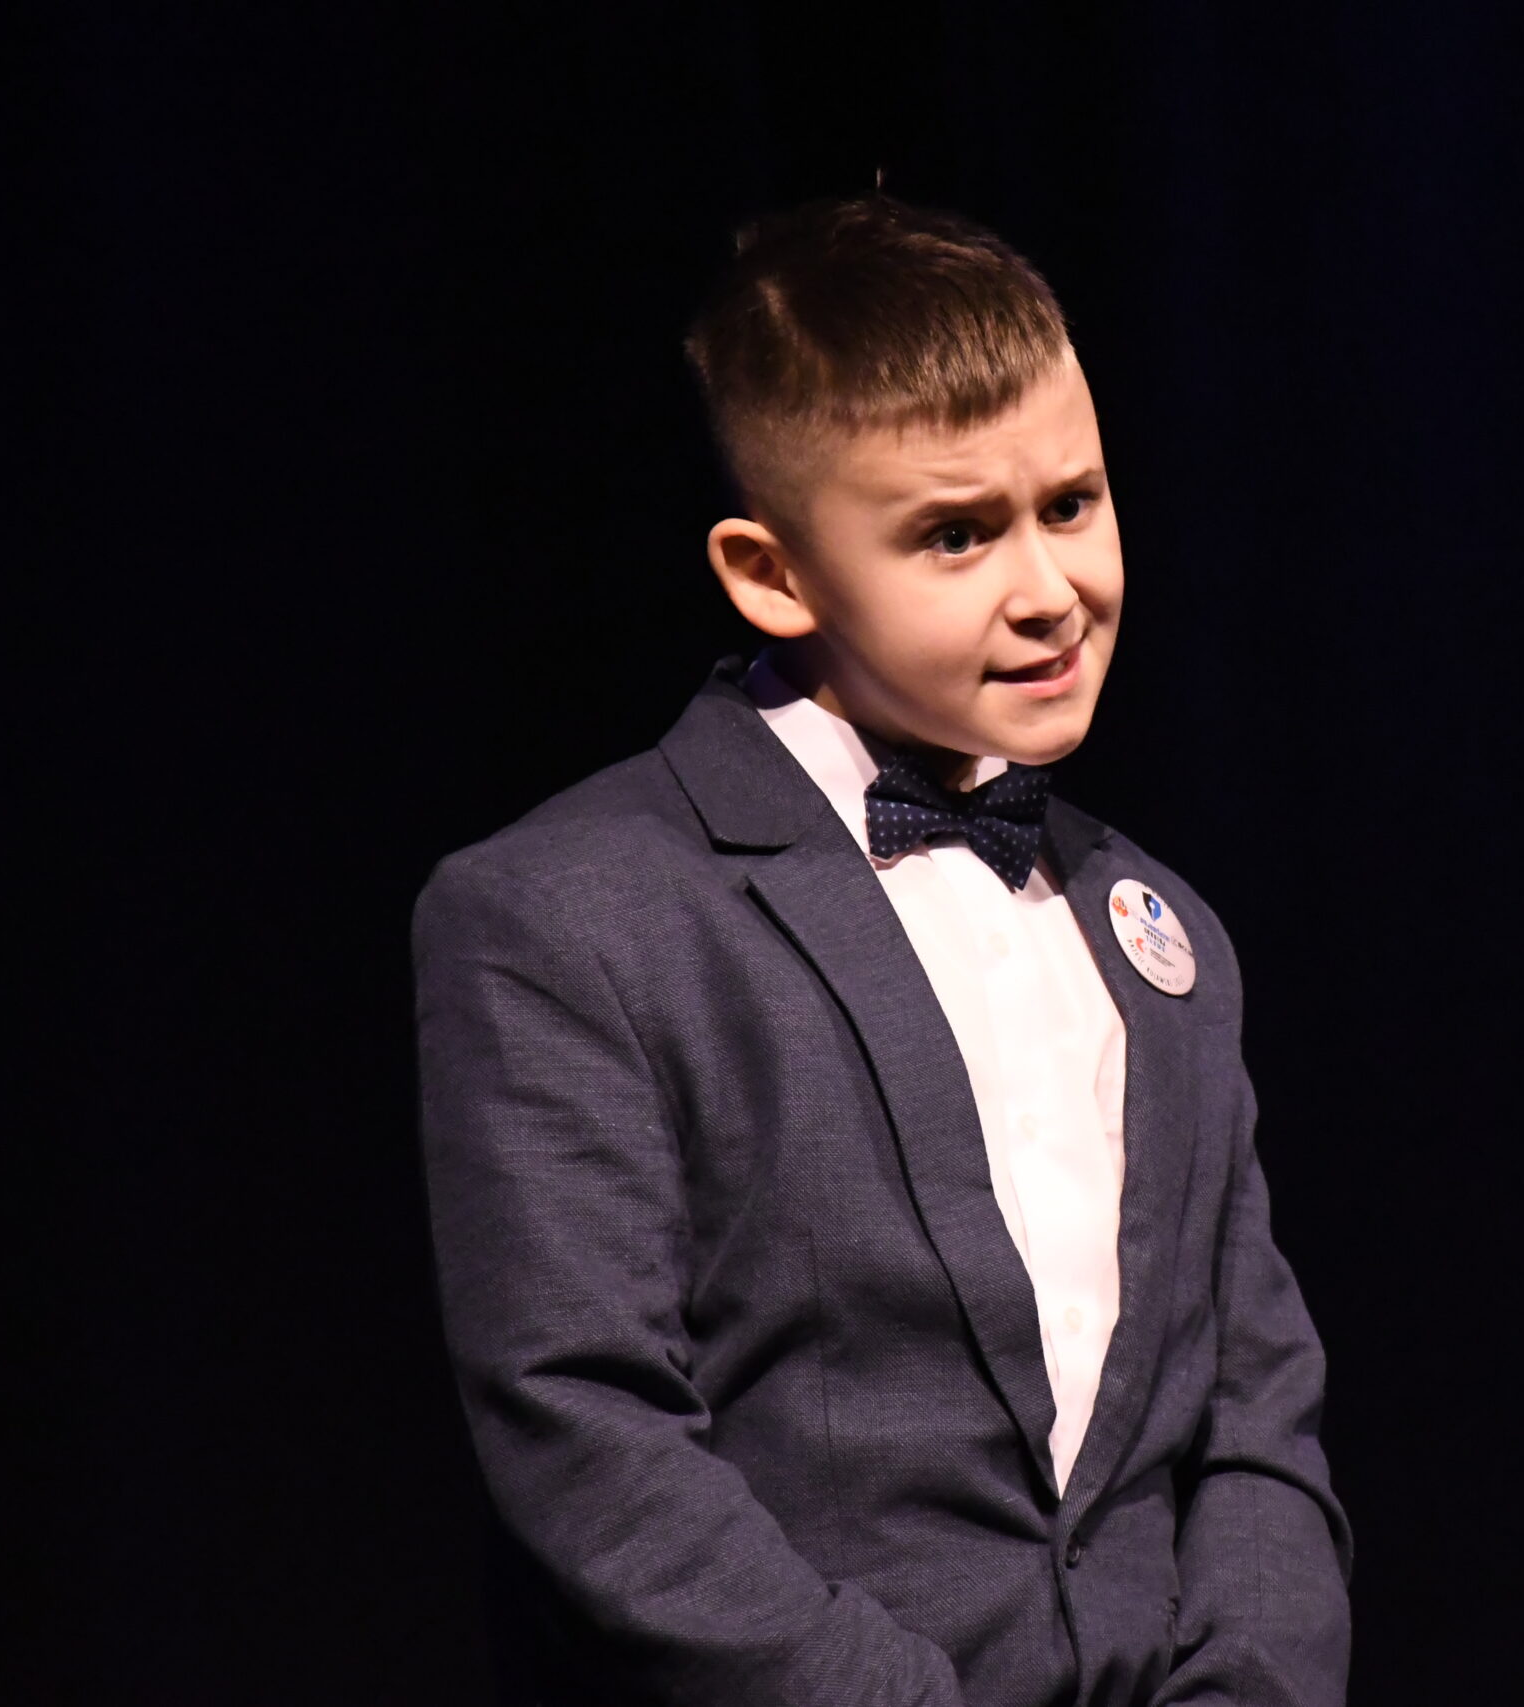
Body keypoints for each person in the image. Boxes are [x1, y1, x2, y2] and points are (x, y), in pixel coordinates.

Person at [411, 194, 1349, 1707]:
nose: (1047, 591)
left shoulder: (1161, 931)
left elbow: (1254, 1420)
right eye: (955, 536)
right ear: (771, 573)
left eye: (1073, 504)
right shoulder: (571, 915)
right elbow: (590, 1438)